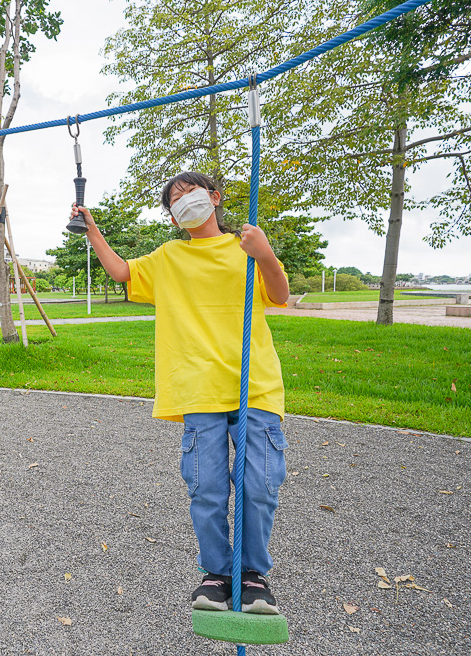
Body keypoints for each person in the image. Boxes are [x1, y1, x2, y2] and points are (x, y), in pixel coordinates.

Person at [70, 171, 290, 615]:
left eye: (191, 192)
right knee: (205, 487)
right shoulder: (169, 257)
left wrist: (264, 254)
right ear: (173, 218)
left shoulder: (245, 245)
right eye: (175, 200)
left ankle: (251, 575)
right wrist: (91, 228)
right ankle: (216, 573)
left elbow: (280, 295)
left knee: (259, 485)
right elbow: (121, 272)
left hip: (255, 385)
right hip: (196, 388)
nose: (184, 201)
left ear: (214, 197)